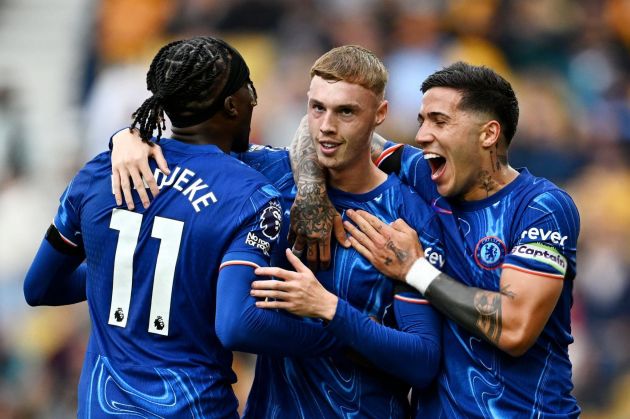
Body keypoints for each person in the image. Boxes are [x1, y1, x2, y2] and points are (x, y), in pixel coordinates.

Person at [109, 45, 445, 418]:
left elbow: (423, 362)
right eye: (317, 108)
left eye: (346, 111)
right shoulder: (262, 174)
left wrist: (328, 309)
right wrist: (126, 137)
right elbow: (183, 149)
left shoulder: (407, 217)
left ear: (379, 114)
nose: (327, 126)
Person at [23, 35, 338, 418]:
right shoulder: (251, 196)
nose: (255, 99)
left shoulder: (99, 173)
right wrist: (334, 337)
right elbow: (238, 326)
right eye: (249, 89)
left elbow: (39, 287)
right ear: (231, 105)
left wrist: (125, 275)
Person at [292, 61, 581, 417]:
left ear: (488, 134)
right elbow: (323, 129)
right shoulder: (426, 175)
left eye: (440, 121)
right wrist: (309, 193)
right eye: (422, 121)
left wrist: (415, 270)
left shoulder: (541, 206)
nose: (422, 135)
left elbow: (516, 327)